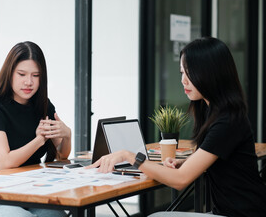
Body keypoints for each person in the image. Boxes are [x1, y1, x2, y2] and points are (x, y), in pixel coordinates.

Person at [88, 37, 266, 216]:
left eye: (189, 73)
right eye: (182, 72)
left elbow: (180, 180)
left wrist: (129, 156)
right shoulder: (212, 111)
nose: (183, 80)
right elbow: (212, 155)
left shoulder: (227, 120)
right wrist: (185, 162)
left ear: (211, 73)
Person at [0, 41, 71, 217]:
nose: (29, 82)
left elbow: (61, 155)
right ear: (9, 73)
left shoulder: (43, 106)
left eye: (36, 75)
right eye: (22, 74)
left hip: (33, 192)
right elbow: (4, 163)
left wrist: (67, 135)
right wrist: (39, 140)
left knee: (57, 216)